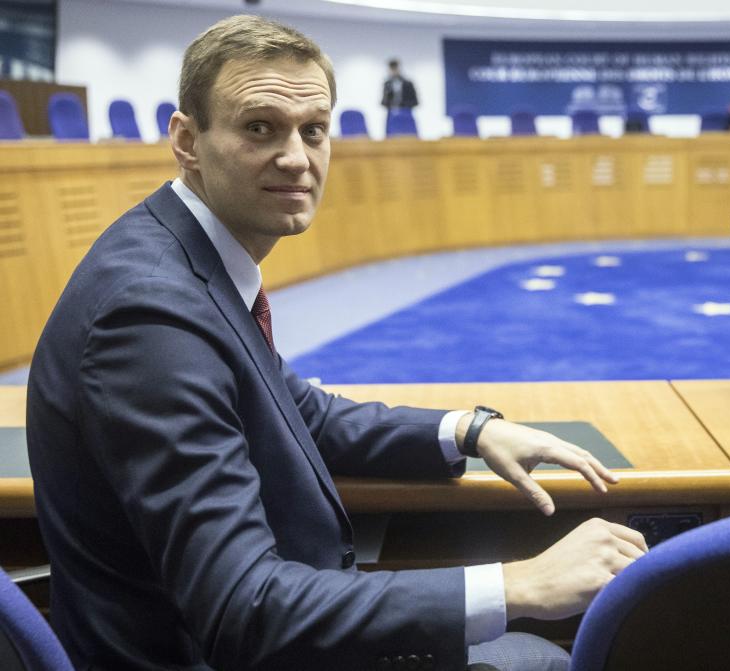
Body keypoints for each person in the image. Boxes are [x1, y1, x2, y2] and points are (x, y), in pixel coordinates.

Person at [26, 15, 648, 671]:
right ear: (187, 140)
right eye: (259, 127)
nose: (296, 156)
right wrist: (521, 584)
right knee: (539, 657)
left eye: (313, 130)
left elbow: (297, 412)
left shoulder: (186, 257)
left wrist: (468, 430)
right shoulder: (150, 317)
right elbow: (246, 609)